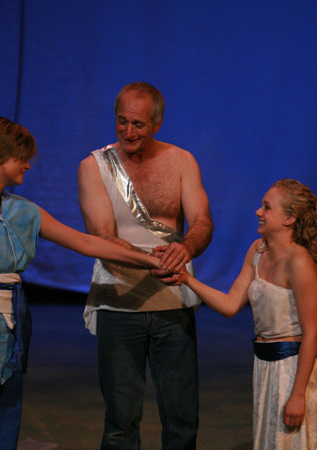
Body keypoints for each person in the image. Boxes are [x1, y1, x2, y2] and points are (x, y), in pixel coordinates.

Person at [0, 116, 167, 450]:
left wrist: (149, 260)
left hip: (5, 337)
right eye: (21, 157)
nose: (28, 165)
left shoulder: (24, 212)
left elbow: (85, 243)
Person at [77, 82, 213, 449]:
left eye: (138, 124)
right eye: (121, 121)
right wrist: (151, 260)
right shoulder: (94, 166)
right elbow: (101, 235)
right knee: (121, 421)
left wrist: (186, 247)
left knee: (182, 417)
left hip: (173, 301)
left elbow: (202, 221)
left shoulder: (181, 161)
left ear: (157, 123)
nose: (129, 132)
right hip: (118, 303)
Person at [176, 179, 317, 449]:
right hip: (265, 366)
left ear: (289, 218)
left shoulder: (299, 261)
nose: (258, 212)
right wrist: (186, 279)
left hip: (292, 369)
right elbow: (231, 304)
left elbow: (312, 334)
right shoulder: (258, 250)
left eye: (267, 207)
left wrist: (298, 394)